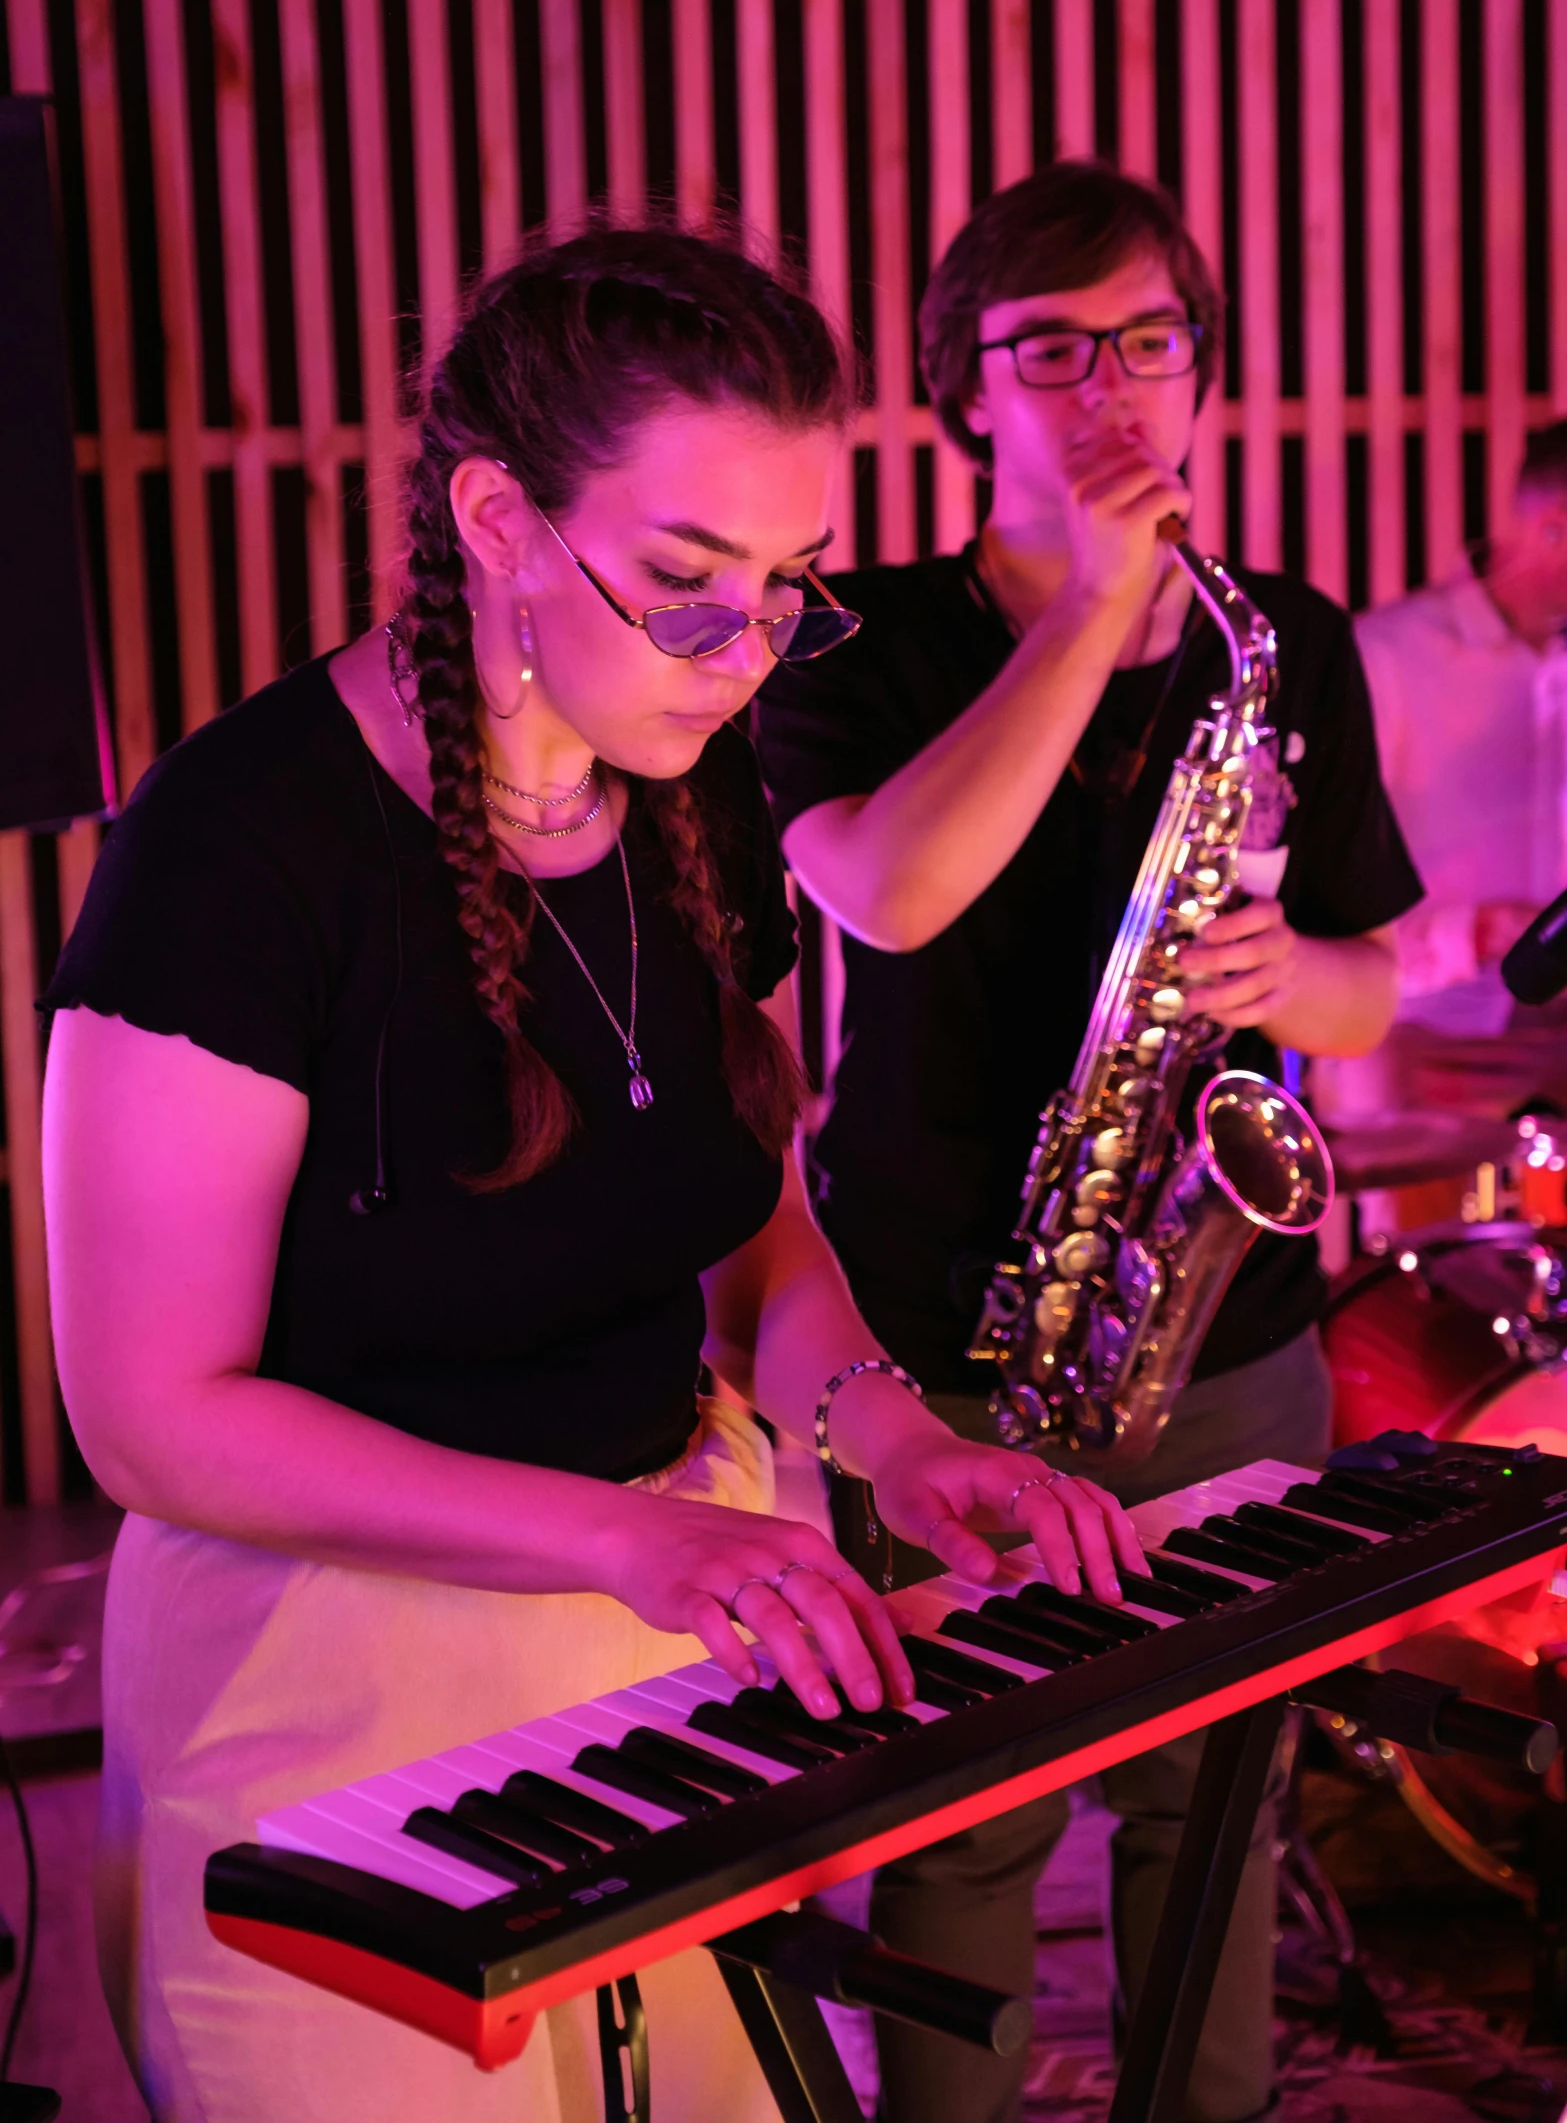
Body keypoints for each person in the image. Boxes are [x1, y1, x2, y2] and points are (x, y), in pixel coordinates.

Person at [40, 228, 1144, 2123]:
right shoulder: (240, 851)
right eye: (684, 586)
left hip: (656, 1649)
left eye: (788, 587)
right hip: (330, 1689)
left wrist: (893, 1438)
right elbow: (149, 1423)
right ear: (495, 515)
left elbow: (741, 1215)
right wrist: (638, 1539)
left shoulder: (689, 774)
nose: (745, 654)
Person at [755, 160, 1422, 2123]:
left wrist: (1285, 969)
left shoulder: (1281, 638)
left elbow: (1375, 988)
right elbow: (881, 890)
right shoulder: (850, 638)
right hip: (947, 1338)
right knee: (959, 1822)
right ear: (966, 385)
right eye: (1055, 350)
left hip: (1224, 1326)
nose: (1114, 388)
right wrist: (1091, 610)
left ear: (1204, 372)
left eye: (1153, 343)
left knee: (1216, 1803)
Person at [1324, 424, 1567, 1172]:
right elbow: (1316, 897)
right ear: (1551, 528)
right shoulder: (1382, 657)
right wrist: (1479, 936)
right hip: (1408, 1047)